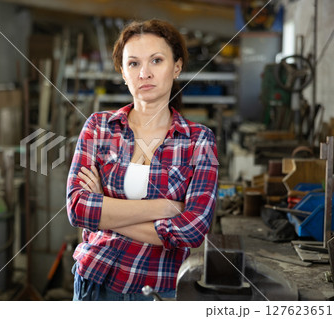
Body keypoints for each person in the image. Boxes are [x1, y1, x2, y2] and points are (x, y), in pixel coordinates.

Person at [66, 19, 218, 301]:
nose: (144, 73)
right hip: (93, 282)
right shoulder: (99, 127)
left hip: (157, 292)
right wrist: (164, 207)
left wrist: (104, 212)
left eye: (156, 60)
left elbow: (192, 229)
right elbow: (77, 209)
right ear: (123, 73)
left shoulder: (198, 140)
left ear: (177, 67)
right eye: (133, 64)